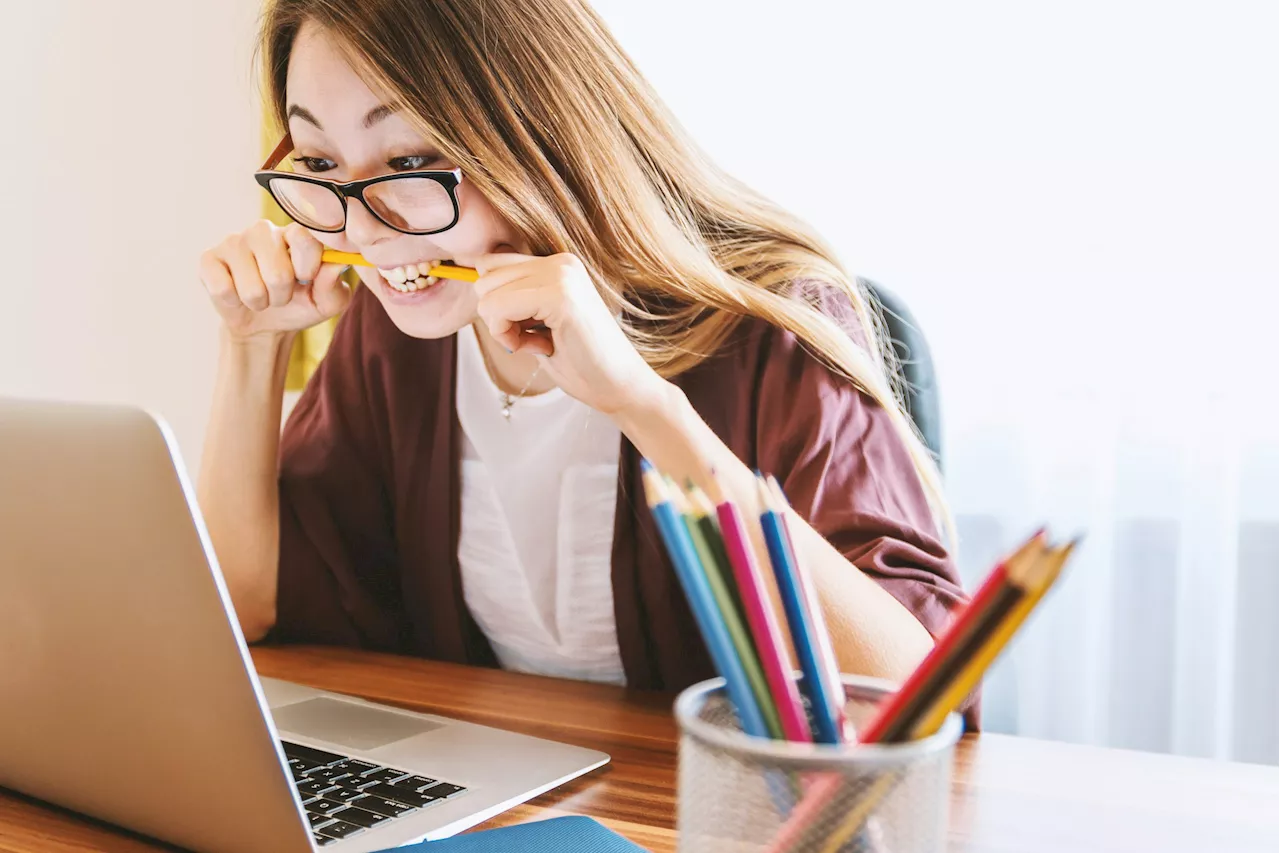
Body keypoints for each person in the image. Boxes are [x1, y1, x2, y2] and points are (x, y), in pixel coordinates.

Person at [197, 0, 968, 697]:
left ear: (536, 132)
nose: (362, 230)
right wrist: (251, 348)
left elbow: (917, 696)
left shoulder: (771, 323)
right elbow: (245, 603)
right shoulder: (400, 333)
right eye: (320, 163)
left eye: (409, 163)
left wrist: (642, 404)